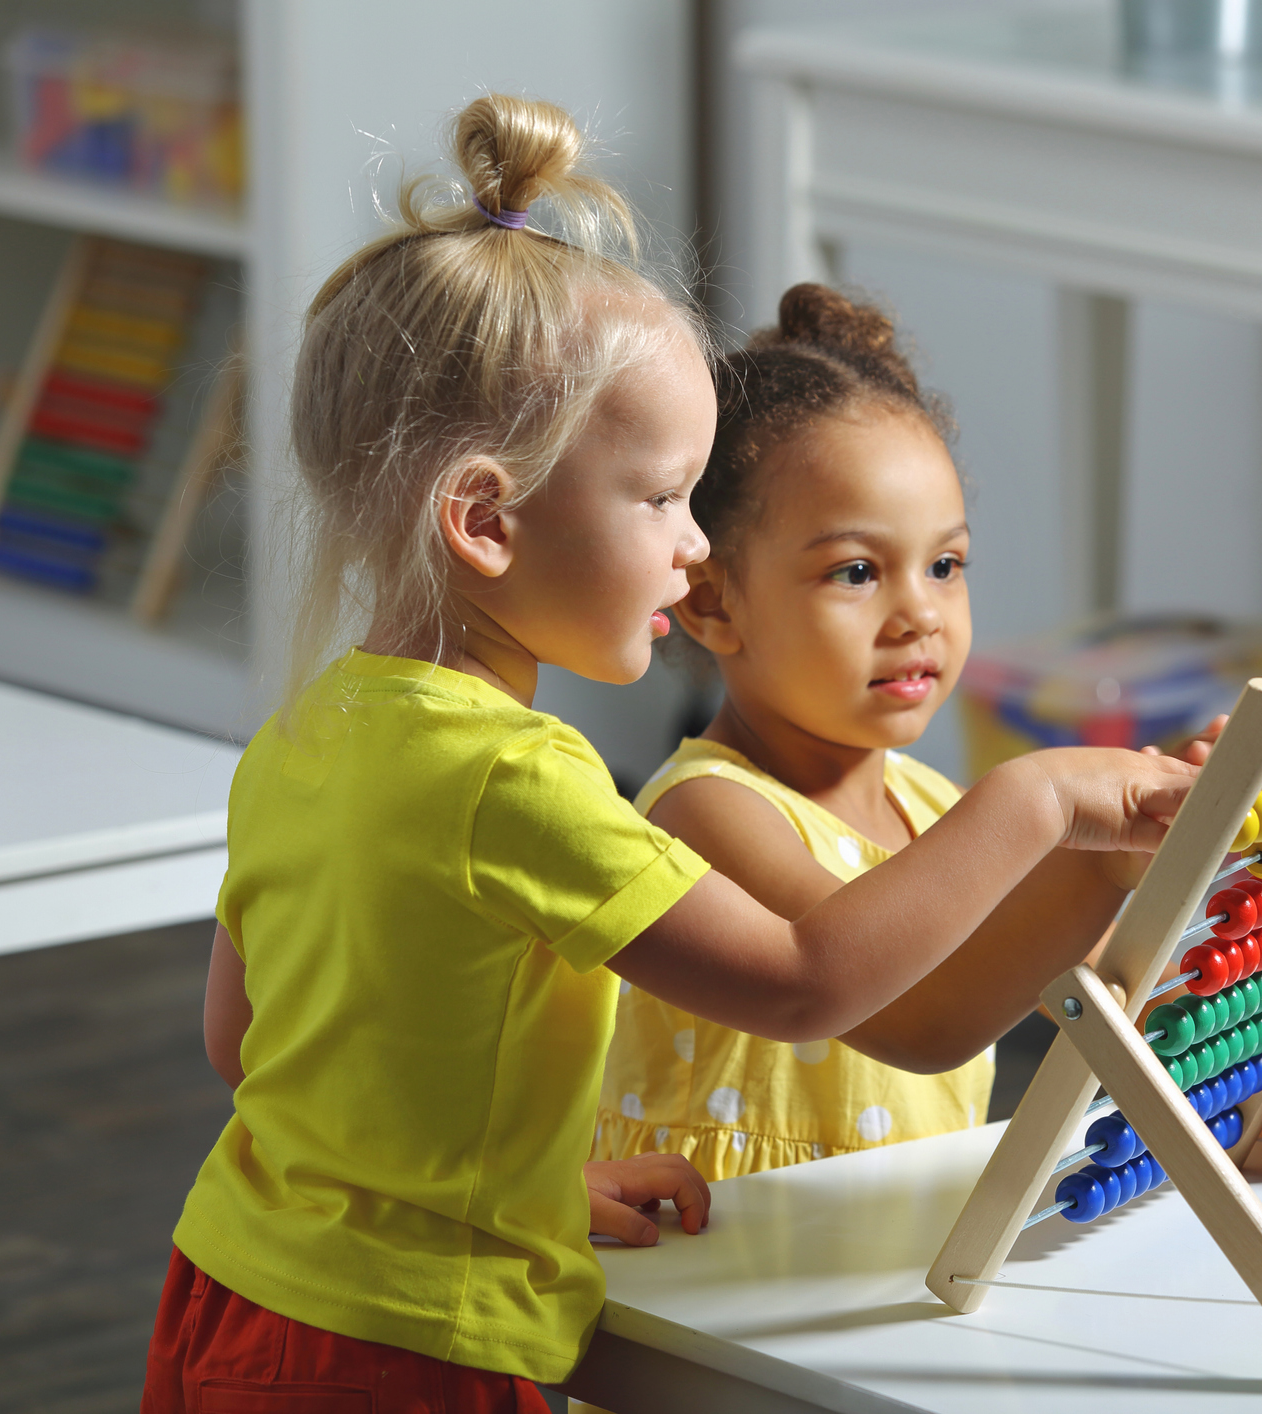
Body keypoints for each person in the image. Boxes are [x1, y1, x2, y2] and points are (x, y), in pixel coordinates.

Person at [142, 97, 1196, 1413]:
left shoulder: (307, 731)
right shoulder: (515, 779)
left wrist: (517, 1182)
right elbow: (812, 982)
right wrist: (1037, 794)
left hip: (235, 1289)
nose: (692, 547)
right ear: (484, 520)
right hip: (401, 1352)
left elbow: (250, 1044)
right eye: (660, 500)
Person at [593, 283, 1262, 1185]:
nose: (920, 614)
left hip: (894, 1255)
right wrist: (1060, 821)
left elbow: (1132, 1021)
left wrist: (1237, 1103)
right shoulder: (705, 816)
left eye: (946, 565)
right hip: (720, 1262)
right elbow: (923, 1018)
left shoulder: (934, 811)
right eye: (858, 571)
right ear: (712, 602)